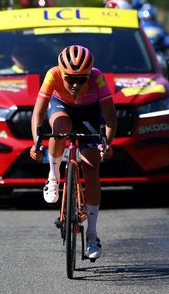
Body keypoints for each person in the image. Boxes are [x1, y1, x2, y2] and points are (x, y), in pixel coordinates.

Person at [29, 45, 117, 260]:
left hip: (90, 113)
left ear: (90, 74)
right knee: (60, 127)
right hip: (61, 107)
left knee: (90, 165)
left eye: (82, 79)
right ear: (61, 73)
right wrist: (36, 143)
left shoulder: (98, 78)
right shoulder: (52, 75)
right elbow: (38, 114)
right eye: (70, 79)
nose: (76, 85)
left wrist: (107, 145)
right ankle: (53, 175)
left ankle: (92, 235)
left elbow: (110, 118)